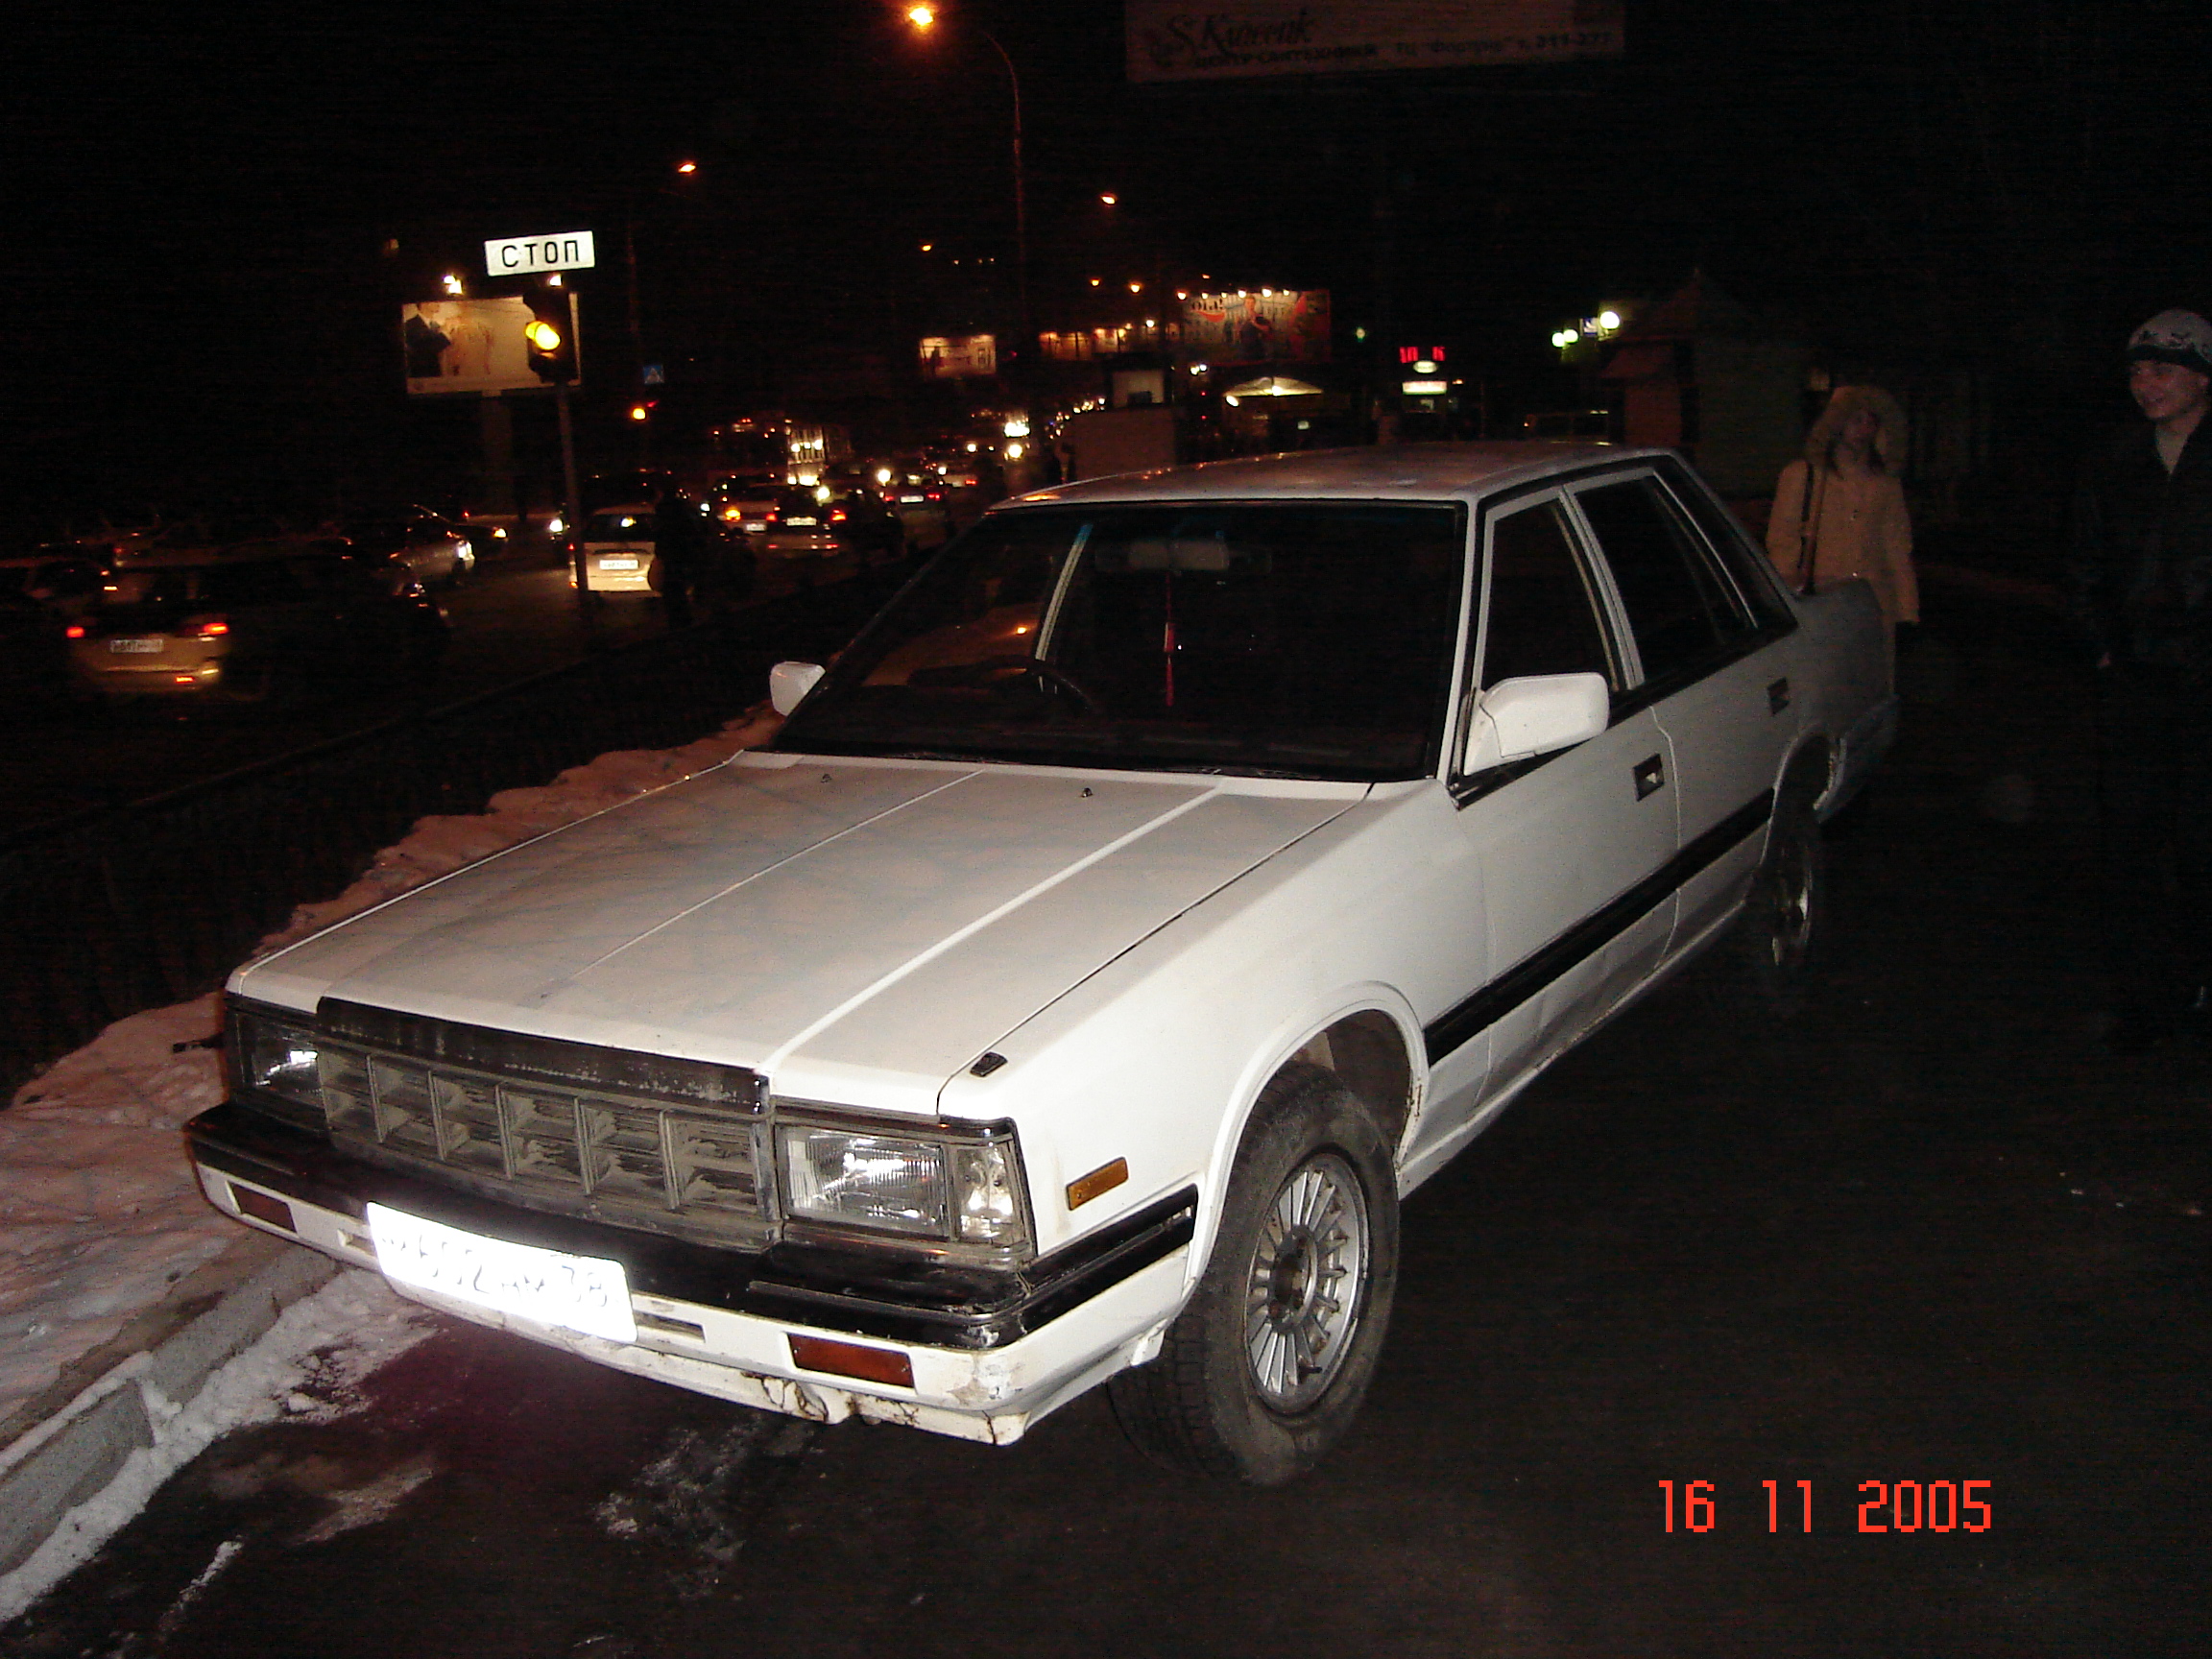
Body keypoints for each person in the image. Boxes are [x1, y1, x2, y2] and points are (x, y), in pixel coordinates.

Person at [2069, 308, 2212, 1053]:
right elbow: (2086, 562)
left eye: (2160, 370)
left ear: (2200, 376)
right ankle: (2142, 995)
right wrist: (2102, 644)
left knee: (2200, 841)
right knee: (2129, 838)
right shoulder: (2118, 461)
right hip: (2136, 680)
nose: (2144, 385)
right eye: (2135, 371)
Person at [1766, 384, 1919, 630]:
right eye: (1855, 420)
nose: (1864, 429)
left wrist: (1907, 613)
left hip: (1876, 607)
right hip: (1822, 604)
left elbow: (1898, 549)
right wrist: (1787, 601)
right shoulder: (1802, 476)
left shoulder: (1885, 483)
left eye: (1871, 422)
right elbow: (1783, 542)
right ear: (1836, 423)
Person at [652, 486, 702, 627]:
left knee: (672, 591)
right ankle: (682, 619)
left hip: (672, 558)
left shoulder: (664, 515)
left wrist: (660, 554)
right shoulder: (684, 513)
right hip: (681, 557)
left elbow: (662, 537)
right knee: (678, 590)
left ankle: (677, 621)